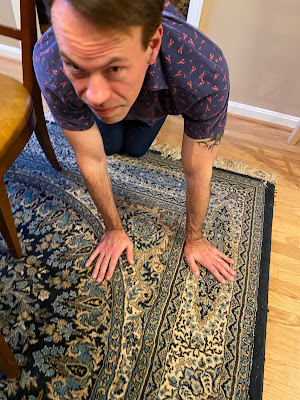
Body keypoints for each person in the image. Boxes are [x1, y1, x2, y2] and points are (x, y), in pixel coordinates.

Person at [34, 0, 236, 285]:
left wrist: (196, 238)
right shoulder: (50, 62)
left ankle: (141, 103)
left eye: (114, 68)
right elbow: (90, 157)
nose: (96, 97)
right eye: (76, 67)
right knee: (111, 146)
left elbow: (197, 169)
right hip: (131, 94)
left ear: (152, 46)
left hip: (156, 94)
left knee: (137, 148)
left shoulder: (203, 71)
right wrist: (113, 229)